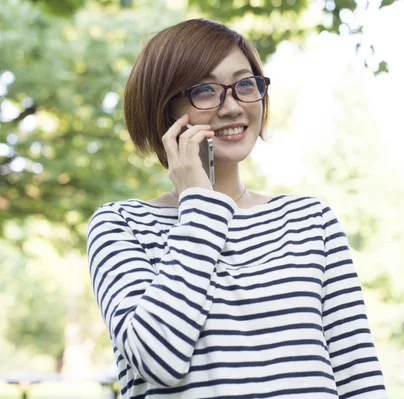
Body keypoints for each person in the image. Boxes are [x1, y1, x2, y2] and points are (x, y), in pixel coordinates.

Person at [86, 18, 387, 399]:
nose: (231, 106)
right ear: (165, 110)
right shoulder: (121, 225)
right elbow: (157, 361)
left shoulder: (311, 221)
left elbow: (357, 376)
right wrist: (199, 208)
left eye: (245, 84)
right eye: (205, 90)